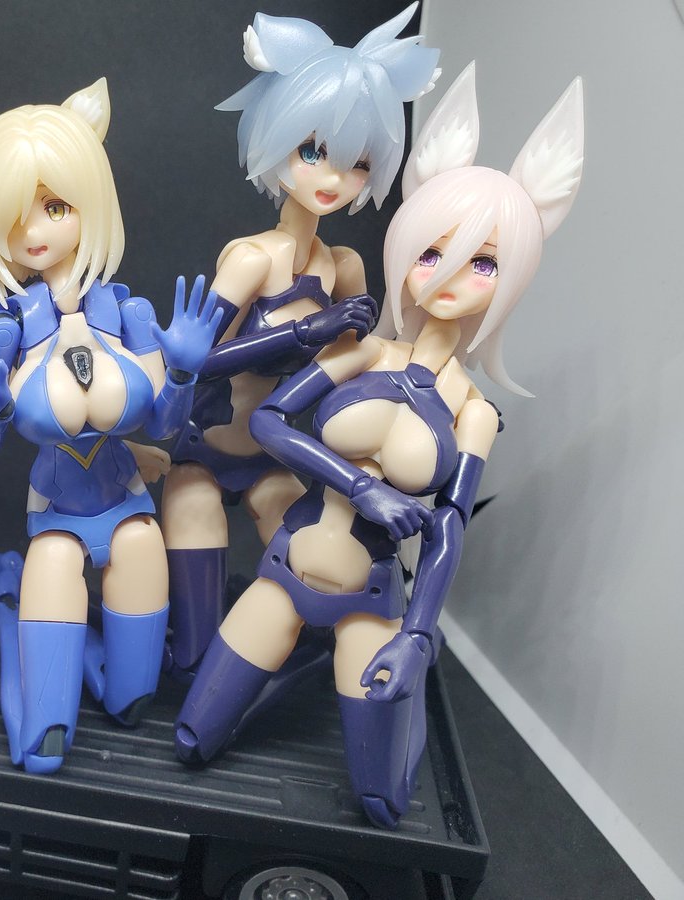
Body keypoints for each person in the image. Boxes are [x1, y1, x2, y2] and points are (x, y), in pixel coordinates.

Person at [175, 65, 585, 827]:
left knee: (382, 799)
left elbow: (449, 531)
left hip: (371, 599)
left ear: (512, 279)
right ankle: (290, 676)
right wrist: (362, 486)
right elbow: (270, 423)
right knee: (193, 738)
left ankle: (387, 705)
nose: (450, 279)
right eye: (433, 253)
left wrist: (420, 635)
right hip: (282, 571)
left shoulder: (474, 414)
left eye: (484, 264)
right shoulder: (363, 350)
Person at [0, 79, 221, 773]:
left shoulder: (127, 313)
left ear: (89, 203)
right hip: (57, 509)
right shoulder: (7, 328)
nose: (35, 231)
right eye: (15, 216)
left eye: (55, 206)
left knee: (134, 677)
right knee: (56, 571)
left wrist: (183, 373)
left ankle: (112, 680)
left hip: (126, 498)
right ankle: (36, 683)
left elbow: (163, 425)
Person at [161, 5, 440, 679]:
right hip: (206, 448)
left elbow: (370, 363)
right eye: (312, 151)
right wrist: (300, 332)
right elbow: (199, 363)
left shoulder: (344, 267)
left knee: (309, 585)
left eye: (357, 162)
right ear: (276, 141)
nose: (332, 178)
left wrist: (447, 394)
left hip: (278, 456)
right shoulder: (252, 259)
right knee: (193, 644)